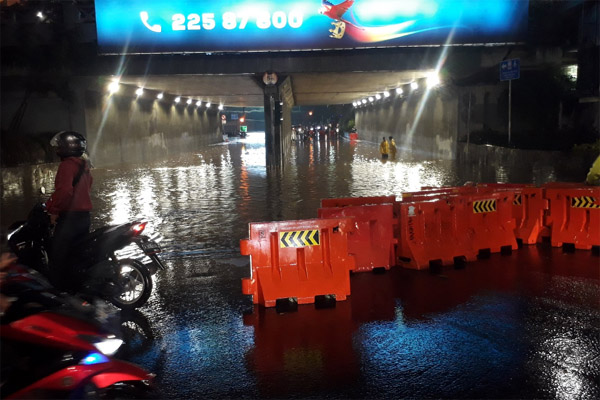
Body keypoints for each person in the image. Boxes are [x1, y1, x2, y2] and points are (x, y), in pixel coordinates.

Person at [45, 131, 93, 290]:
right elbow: (87, 187)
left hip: (70, 220)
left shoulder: (66, 166)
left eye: (59, 146)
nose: (57, 149)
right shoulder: (84, 165)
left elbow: (64, 192)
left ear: (66, 148)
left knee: (57, 256)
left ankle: (58, 293)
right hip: (84, 218)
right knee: (77, 254)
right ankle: (78, 286)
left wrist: (54, 211)